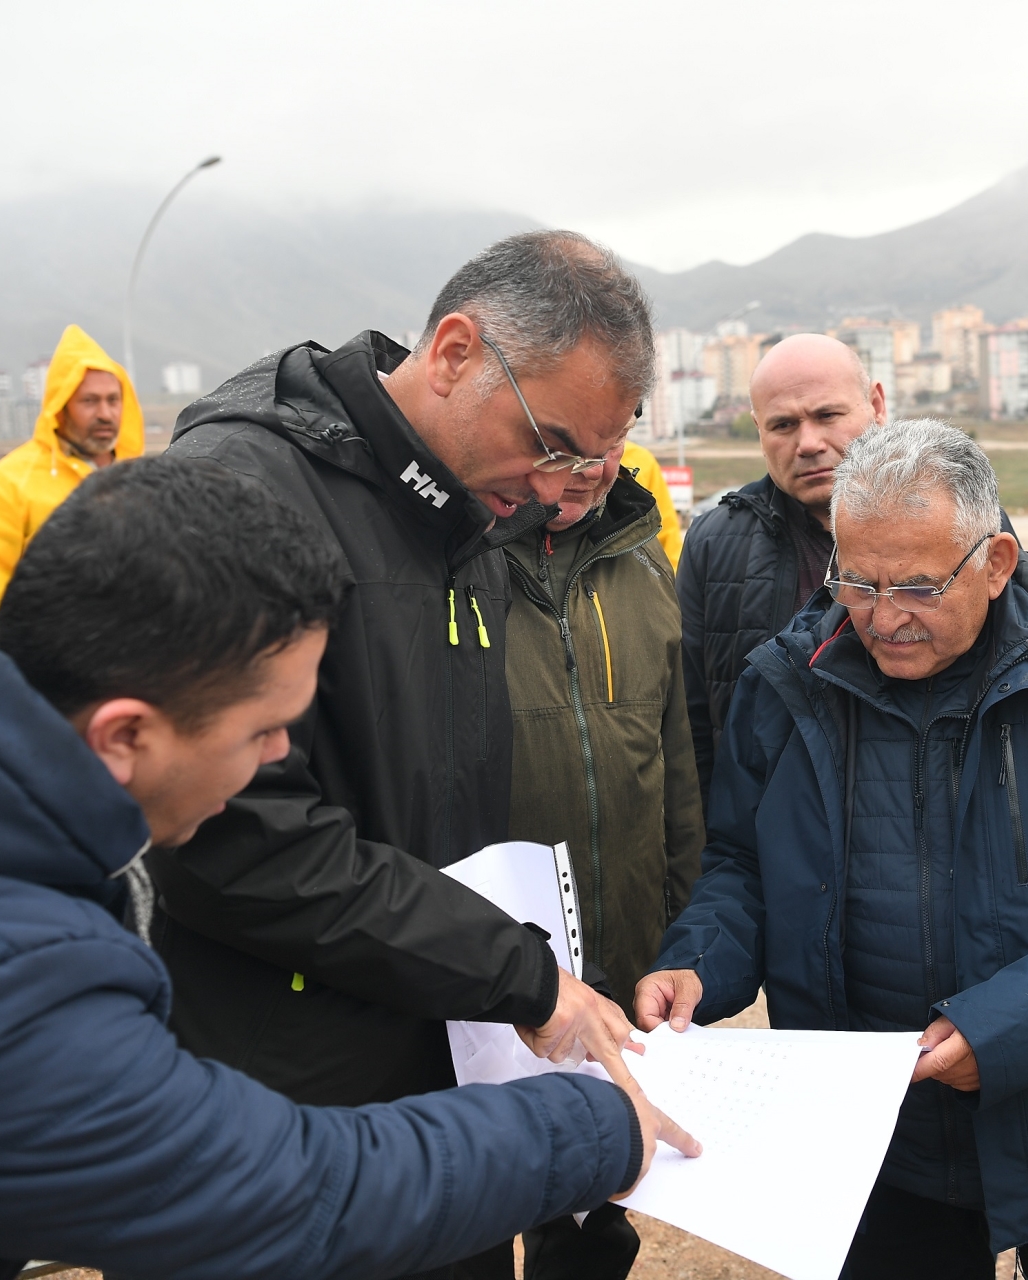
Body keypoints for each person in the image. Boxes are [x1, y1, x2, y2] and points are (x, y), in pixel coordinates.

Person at [0, 459, 694, 1280]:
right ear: (126, 735)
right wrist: (594, 1126)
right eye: (263, 734)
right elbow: (297, 1196)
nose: (273, 769)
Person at [147, 231, 655, 1279]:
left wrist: (547, 978)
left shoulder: (464, 515)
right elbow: (240, 838)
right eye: (552, 439)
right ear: (457, 351)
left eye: (594, 455)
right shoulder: (245, 491)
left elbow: (452, 817)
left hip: (442, 1086)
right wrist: (515, 974)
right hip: (290, 1105)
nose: (564, 481)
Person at [638, 420, 1028, 1279]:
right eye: (859, 582)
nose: (884, 619)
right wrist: (700, 961)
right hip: (877, 1142)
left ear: (995, 563)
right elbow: (741, 863)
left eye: (918, 588)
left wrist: (1002, 1029)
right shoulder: (785, 683)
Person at [497, 449, 703, 1279]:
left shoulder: (643, 551)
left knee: (597, 1200)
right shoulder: (455, 557)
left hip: (621, 927)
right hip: (498, 949)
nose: (584, 472)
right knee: (477, 1180)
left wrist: (683, 925)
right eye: (559, 448)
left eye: (606, 446)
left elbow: (675, 760)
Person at [676, 332, 885, 802]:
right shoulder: (713, 543)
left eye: (828, 416)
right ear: (758, 429)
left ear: (876, 404)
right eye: (783, 425)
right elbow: (691, 727)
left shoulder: (955, 522)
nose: (808, 443)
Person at [0, 323, 144, 629]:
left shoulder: (139, 479)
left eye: (113, 400)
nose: (105, 414)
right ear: (60, 406)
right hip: (46, 660)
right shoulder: (7, 484)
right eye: (90, 401)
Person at [617, 440, 685, 568]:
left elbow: (665, 529)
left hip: (634, 573)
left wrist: (672, 582)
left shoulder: (641, 459)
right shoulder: (640, 458)